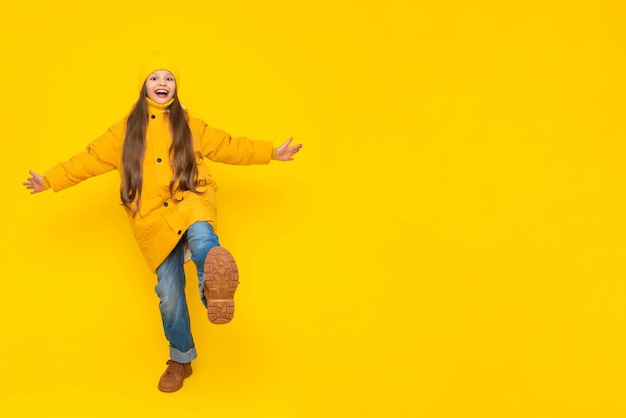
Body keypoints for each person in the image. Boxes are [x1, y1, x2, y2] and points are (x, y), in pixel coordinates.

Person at [22, 52, 302, 393]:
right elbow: (90, 159)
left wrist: (272, 152)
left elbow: (229, 146)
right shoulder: (124, 131)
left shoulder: (191, 126)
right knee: (169, 295)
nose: (162, 83)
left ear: (176, 87)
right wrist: (50, 180)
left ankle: (213, 290)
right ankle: (181, 359)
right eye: (155, 77)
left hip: (191, 200)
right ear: (143, 86)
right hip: (152, 220)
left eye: (169, 78)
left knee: (203, 240)